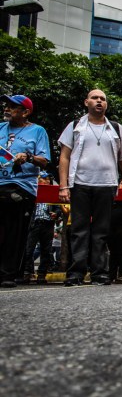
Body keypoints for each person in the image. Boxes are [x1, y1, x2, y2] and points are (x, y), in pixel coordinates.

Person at [58, 89, 122, 286]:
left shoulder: (116, 128)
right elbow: (64, 156)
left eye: (103, 99)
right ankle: (76, 273)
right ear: (86, 102)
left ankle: (100, 273)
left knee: (102, 231)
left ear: (106, 104)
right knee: (79, 230)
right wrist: (63, 186)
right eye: (95, 98)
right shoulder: (75, 126)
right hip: (80, 183)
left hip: (107, 184)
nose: (99, 101)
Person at [0, 95, 50, 288]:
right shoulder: (1, 128)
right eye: (7, 105)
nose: (7, 108)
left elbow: (44, 161)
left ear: (26, 112)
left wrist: (27, 157)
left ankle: (9, 273)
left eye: (13, 106)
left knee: (15, 231)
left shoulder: (37, 131)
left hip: (21, 186)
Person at [22, 173, 62, 284]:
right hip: (34, 223)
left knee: (46, 250)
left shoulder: (52, 193)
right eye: (43, 179)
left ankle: (41, 274)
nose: (45, 181)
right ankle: (27, 272)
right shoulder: (33, 191)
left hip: (47, 223)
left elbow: (58, 207)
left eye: (47, 179)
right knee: (29, 249)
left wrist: (56, 214)